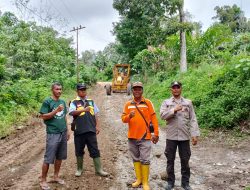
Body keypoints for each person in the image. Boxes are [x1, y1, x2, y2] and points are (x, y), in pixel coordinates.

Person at [160, 81, 200, 190]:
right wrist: (173, 110)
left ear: (181, 89)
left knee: (185, 160)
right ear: (171, 89)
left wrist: (194, 134)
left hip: (184, 137)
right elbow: (162, 116)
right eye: (174, 87)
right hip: (171, 137)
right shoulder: (166, 102)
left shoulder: (188, 103)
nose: (176, 89)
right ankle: (170, 182)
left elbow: (193, 119)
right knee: (170, 160)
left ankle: (185, 183)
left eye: (178, 87)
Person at [121, 82, 159, 190]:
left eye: (139, 89)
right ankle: (139, 180)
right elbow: (123, 119)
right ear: (132, 91)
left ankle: (145, 182)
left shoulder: (147, 103)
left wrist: (156, 134)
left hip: (145, 137)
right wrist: (129, 116)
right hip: (132, 137)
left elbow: (154, 119)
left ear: (142, 90)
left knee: (145, 159)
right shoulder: (128, 104)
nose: (137, 91)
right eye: (135, 89)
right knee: (135, 159)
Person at [69, 83, 108, 177]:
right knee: (79, 150)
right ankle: (79, 169)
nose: (83, 91)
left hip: (91, 130)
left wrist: (97, 126)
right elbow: (71, 112)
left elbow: (96, 114)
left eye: (84, 90)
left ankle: (99, 170)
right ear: (77, 91)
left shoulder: (91, 101)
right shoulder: (74, 102)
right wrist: (83, 110)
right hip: (79, 130)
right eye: (81, 90)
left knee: (94, 149)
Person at [39, 82, 70, 190]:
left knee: (60, 156)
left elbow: (65, 116)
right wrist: (56, 111)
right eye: (57, 89)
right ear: (52, 90)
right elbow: (43, 116)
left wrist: (68, 130)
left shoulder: (62, 101)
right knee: (48, 158)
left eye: (60, 89)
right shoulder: (48, 101)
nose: (59, 91)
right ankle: (43, 180)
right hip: (52, 133)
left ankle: (56, 176)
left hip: (63, 132)